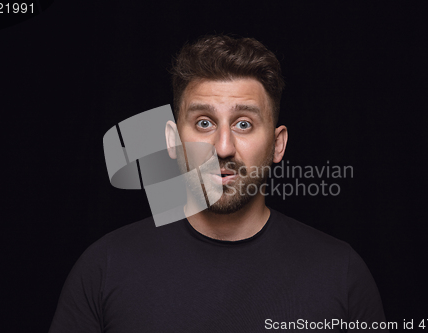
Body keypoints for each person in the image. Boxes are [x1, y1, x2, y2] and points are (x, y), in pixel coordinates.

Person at [48, 35, 389, 332]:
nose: (223, 147)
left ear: (277, 144)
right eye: (204, 122)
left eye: (243, 124)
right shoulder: (105, 268)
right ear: (172, 140)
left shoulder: (341, 273)